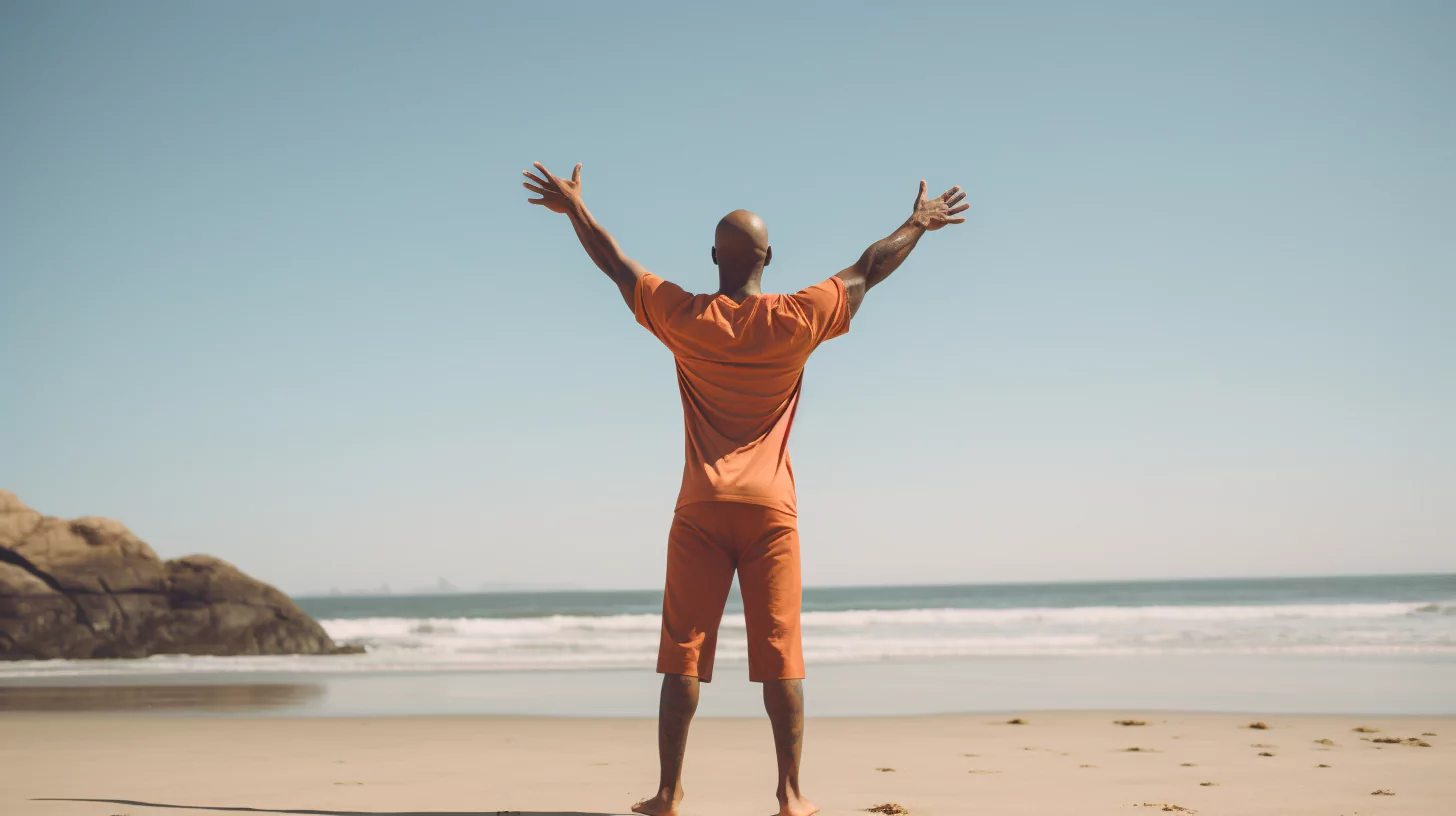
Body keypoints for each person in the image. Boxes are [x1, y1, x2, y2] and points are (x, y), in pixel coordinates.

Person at [522, 161, 967, 816]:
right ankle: (789, 795)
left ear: (713, 257)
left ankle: (669, 794)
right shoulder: (798, 317)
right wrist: (918, 223)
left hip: (701, 506)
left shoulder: (684, 316)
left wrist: (578, 212)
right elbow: (869, 267)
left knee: (683, 652)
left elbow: (617, 265)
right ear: (769, 257)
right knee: (781, 652)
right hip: (770, 511)